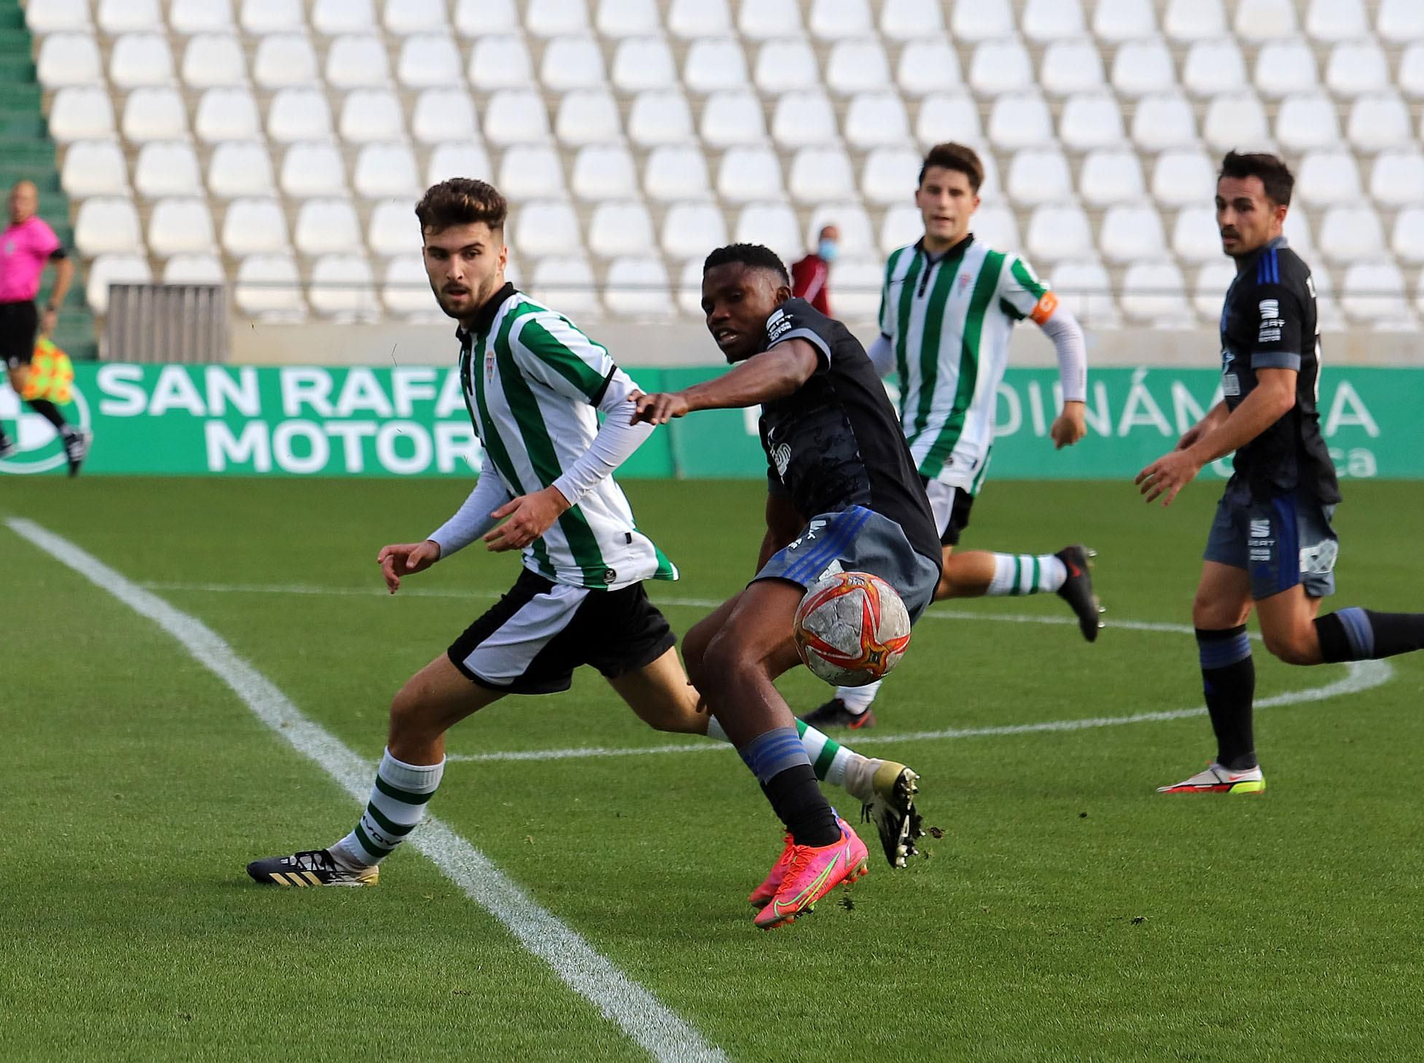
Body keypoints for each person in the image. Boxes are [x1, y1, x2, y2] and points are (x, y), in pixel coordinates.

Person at [245, 181, 921, 903]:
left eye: (471, 252)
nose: (455, 269)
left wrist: (556, 498)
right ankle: (864, 775)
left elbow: (630, 409)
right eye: (439, 254)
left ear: (501, 253)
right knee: (688, 707)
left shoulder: (526, 328)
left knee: (416, 709)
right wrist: (439, 545)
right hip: (594, 570)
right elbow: (502, 472)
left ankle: (354, 858)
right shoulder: (477, 345)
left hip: (574, 577)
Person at [1135, 151, 1424, 795]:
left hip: (1285, 481)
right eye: (1221, 205)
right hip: (1254, 476)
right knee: (1214, 609)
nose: (1227, 218)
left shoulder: (1275, 280)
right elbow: (1252, 383)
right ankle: (1236, 766)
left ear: (1278, 213)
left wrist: (1195, 456)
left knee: (1295, 642)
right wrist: (1209, 423)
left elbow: (1279, 393)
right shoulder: (1253, 273)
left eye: (1242, 206)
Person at [631, 243, 946, 928]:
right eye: (707, 304)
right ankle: (836, 804)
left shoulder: (801, 329)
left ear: (777, 296)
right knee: (710, 651)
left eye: (733, 297)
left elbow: (792, 362)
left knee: (735, 656)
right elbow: (781, 522)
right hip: (838, 534)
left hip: (873, 528)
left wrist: (687, 397)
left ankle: (820, 836)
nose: (717, 313)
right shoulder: (777, 412)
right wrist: (755, 598)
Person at [805, 142, 1102, 731]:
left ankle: (853, 702)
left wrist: (1074, 401)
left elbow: (1064, 327)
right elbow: (890, 346)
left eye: (955, 193)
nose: (943, 202)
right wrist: (840, 380)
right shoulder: (899, 265)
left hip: (954, 443)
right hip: (903, 433)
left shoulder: (995, 268)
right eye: (934, 190)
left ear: (974, 203)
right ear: (918, 196)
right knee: (929, 570)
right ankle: (1058, 571)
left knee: (890, 559)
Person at [0, 180, 89, 475]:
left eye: (25, 199)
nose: (18, 204)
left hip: (19, 312)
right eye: (15, 198)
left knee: (22, 386)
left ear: (34, 204)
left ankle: (69, 432)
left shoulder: (36, 230)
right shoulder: (10, 232)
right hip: (1, 310)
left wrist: (53, 306)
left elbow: (64, 265)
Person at [790, 224, 838, 316]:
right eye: (827, 238)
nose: (830, 243)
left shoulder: (821, 267)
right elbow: (802, 301)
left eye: (833, 240)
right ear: (819, 240)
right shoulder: (814, 268)